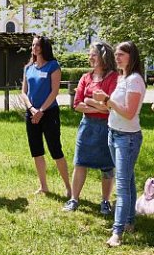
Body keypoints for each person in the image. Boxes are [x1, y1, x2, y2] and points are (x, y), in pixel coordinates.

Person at [93, 41, 145, 247]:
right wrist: (100, 102)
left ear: (132, 56)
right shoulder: (123, 78)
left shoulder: (135, 80)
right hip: (114, 133)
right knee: (128, 180)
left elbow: (129, 112)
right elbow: (115, 108)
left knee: (122, 185)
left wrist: (108, 100)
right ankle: (129, 222)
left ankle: (117, 233)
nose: (117, 57)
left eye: (121, 54)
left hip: (127, 138)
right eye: (116, 54)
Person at [63, 42, 118, 213]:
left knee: (107, 166)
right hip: (87, 125)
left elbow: (110, 106)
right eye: (90, 54)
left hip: (107, 127)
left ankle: (105, 202)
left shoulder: (113, 77)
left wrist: (90, 101)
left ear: (103, 56)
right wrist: (98, 106)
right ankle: (74, 199)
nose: (90, 58)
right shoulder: (85, 78)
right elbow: (77, 104)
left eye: (93, 54)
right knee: (80, 162)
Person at [21, 35, 72, 197]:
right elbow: (23, 92)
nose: (34, 48)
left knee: (55, 149)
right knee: (36, 151)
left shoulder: (53, 66)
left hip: (49, 113)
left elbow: (54, 91)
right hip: (32, 113)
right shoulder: (28, 68)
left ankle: (69, 188)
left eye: (37, 45)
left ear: (44, 48)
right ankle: (43, 186)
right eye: (33, 45)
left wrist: (41, 110)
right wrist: (32, 109)